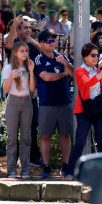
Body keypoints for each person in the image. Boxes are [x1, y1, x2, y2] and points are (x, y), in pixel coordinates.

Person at [63, 43, 102, 180]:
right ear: (85, 57)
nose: (95, 58)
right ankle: (69, 171)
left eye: (97, 55)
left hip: (99, 110)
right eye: (93, 55)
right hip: (84, 111)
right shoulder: (79, 71)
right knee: (80, 141)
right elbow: (87, 83)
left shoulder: (98, 70)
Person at [34, 29, 74, 179]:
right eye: (50, 41)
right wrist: (63, 73)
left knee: (65, 135)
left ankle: (66, 166)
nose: (53, 43)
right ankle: (46, 167)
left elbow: (74, 74)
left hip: (64, 102)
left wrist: (66, 64)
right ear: (42, 43)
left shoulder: (61, 56)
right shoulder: (39, 59)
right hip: (47, 103)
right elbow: (46, 77)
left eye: (54, 40)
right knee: (45, 136)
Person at [2, 41, 36, 179]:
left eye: (26, 51)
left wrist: (32, 72)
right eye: (22, 51)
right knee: (11, 138)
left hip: (27, 102)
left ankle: (25, 169)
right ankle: (11, 170)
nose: (25, 53)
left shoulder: (29, 67)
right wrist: (11, 77)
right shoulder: (8, 68)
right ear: (15, 53)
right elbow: (4, 90)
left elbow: (32, 89)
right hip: (13, 102)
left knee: (26, 137)